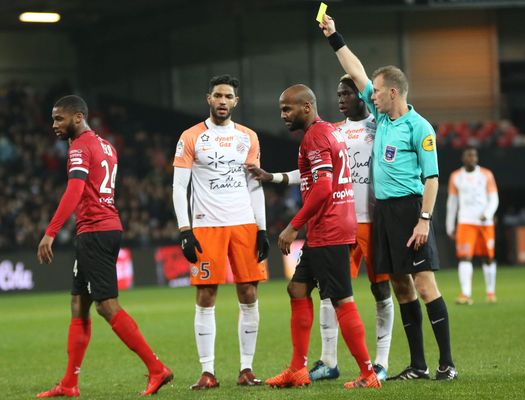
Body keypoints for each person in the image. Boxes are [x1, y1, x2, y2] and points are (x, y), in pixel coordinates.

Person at [319, 14, 457, 380]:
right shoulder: (382, 120)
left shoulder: (419, 127)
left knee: (425, 285)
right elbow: (357, 69)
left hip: (412, 210)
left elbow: (432, 178)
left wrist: (424, 220)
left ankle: (447, 363)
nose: (370, 96)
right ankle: (418, 365)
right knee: (400, 286)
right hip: (383, 213)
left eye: (376, 92)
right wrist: (335, 37)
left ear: (392, 92)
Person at [247, 74, 393, 382]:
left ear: (307, 106)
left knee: (342, 299)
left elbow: (324, 188)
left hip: (330, 228)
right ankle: (298, 369)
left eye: (288, 109)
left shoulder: (315, 137)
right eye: (282, 110)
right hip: (329, 226)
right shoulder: (329, 131)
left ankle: (369, 372)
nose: (283, 116)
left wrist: (292, 227)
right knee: (297, 288)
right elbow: (319, 179)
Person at [36, 95, 173, 398]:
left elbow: (75, 189)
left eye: (59, 118)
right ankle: (69, 384)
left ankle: (156, 368)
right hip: (106, 227)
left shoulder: (79, 146)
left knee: (105, 305)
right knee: (79, 304)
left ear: (77, 117)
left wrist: (50, 232)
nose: (54, 125)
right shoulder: (106, 145)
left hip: (95, 231)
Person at [172, 74, 269, 389]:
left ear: (236, 101)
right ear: (208, 98)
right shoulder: (191, 137)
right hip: (206, 226)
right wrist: (185, 229)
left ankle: (246, 369)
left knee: (249, 294)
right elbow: (179, 187)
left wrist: (263, 228)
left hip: (243, 224)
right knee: (205, 295)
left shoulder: (248, 137)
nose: (223, 101)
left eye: (228, 96)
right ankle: (208, 372)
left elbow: (255, 184)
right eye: (218, 96)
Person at [446, 146, 499, 305]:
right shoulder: (456, 176)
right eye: (468, 156)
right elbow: (452, 203)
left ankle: (490, 292)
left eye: (474, 155)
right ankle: (466, 294)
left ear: (477, 158)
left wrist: (488, 214)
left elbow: (494, 198)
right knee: (464, 257)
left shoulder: (486, 174)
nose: (471, 158)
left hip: (484, 222)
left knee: (488, 258)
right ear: (463, 158)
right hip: (465, 221)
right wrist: (450, 225)